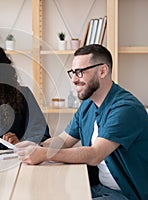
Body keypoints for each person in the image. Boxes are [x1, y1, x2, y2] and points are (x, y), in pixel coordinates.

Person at [15, 44, 148, 199]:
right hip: (98, 187)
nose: (73, 79)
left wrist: (44, 154)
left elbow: (95, 154)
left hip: (127, 195)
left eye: (80, 72)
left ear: (102, 71)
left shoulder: (125, 109)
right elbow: (63, 140)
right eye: (72, 73)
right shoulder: (88, 105)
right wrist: (34, 147)